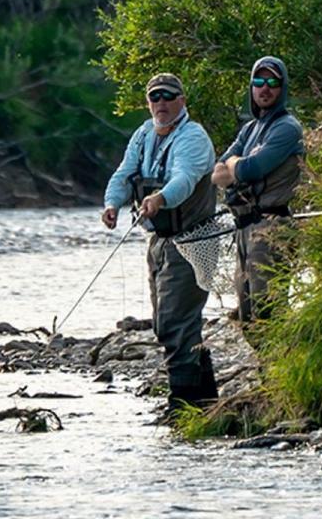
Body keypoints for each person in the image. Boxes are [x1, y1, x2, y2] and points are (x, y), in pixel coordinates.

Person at [101, 72, 219, 414]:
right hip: (160, 240)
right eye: (155, 97)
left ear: (182, 101)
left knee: (174, 322)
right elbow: (124, 174)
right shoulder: (143, 134)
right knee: (167, 323)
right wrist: (112, 204)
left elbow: (184, 178)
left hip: (194, 240)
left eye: (169, 96)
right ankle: (205, 401)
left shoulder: (193, 138)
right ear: (148, 102)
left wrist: (160, 198)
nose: (161, 103)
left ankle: (182, 403)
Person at [212, 56, 305, 322]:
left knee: (268, 313)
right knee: (247, 317)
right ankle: (268, 363)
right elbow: (217, 175)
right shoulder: (250, 128)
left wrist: (234, 164)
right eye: (259, 81)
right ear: (251, 87)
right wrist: (234, 165)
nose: (265, 88)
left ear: (282, 87)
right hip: (243, 228)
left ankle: (281, 363)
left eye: (273, 82)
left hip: (273, 227)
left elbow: (248, 169)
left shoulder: (288, 128)